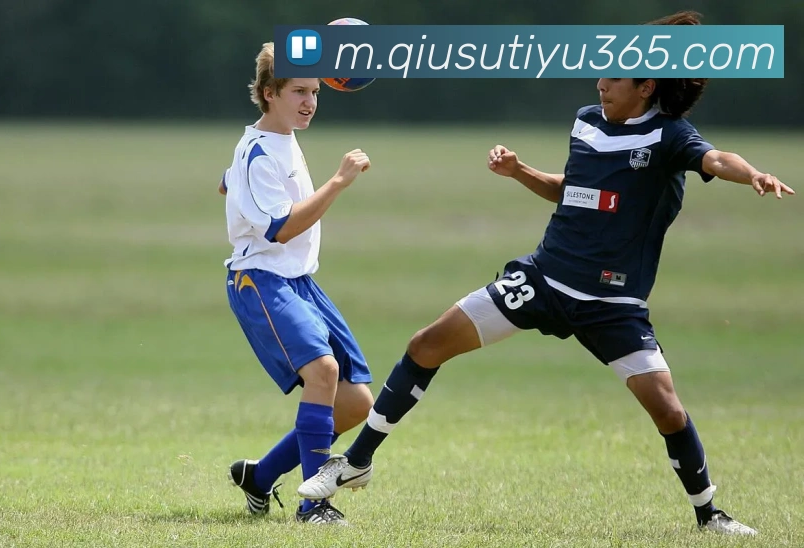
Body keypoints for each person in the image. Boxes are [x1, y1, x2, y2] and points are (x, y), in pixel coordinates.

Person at [295, 11, 794, 537]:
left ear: (646, 86)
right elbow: (572, 190)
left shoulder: (670, 137)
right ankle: (355, 461)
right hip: (543, 279)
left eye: (615, 78)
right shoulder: (586, 121)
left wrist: (754, 174)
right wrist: (520, 172)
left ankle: (709, 514)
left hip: (612, 305)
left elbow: (717, 159)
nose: (601, 83)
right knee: (426, 344)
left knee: (667, 410)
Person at [219, 41, 375, 525]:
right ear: (269, 93)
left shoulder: (278, 139)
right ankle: (314, 506)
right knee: (323, 372)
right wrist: (338, 182)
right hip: (261, 280)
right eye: (298, 92)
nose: (309, 101)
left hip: (299, 281)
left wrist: (230, 180)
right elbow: (280, 228)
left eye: (315, 91)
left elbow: (232, 180)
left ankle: (261, 476)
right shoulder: (261, 150)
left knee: (354, 403)